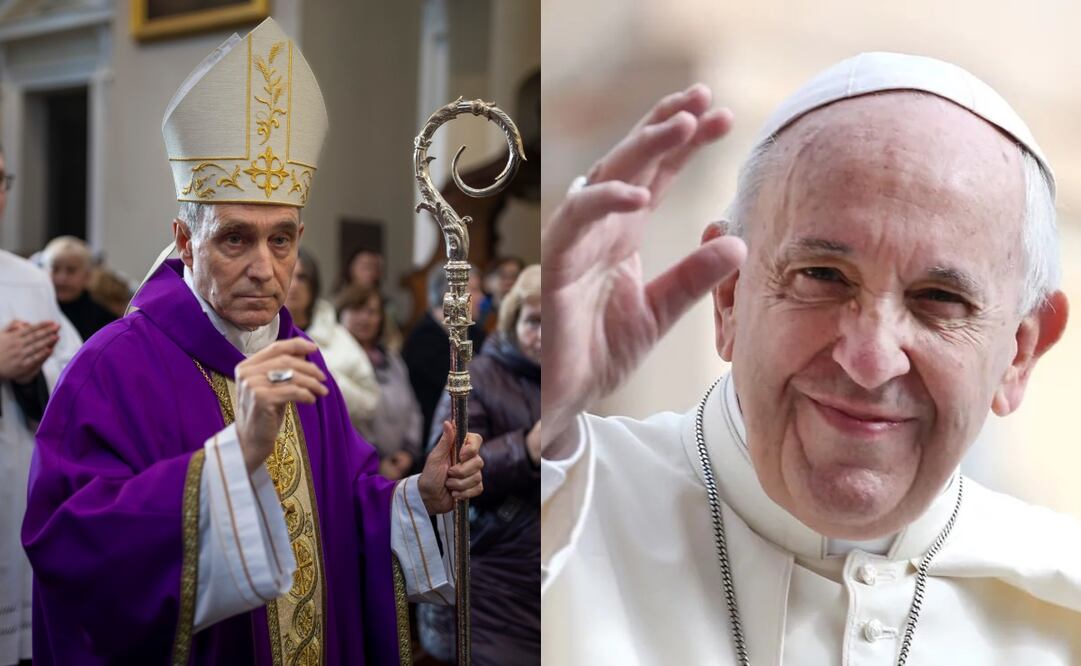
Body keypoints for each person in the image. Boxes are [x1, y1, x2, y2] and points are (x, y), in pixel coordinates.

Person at [541, 53, 1081, 664]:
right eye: (822, 276)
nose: (871, 360)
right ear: (729, 297)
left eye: (939, 298)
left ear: (1019, 354)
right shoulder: (559, 504)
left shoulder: (1063, 609)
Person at [22, 19, 484, 664]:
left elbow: (345, 507)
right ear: (186, 242)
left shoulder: (304, 362)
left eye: (281, 239)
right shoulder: (110, 368)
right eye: (235, 238)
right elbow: (70, 544)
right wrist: (232, 458)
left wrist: (419, 496)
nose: (264, 269)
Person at [419, 265, 542, 665]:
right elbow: (446, 472)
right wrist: (525, 449)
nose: (545, 335)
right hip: (492, 581)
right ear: (512, 321)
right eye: (533, 321)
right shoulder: (478, 377)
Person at [0, 146, 81, 666]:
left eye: (0, 179)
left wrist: (31, 374)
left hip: (17, 495)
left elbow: (74, 377)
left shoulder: (28, 281)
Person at [285, 248, 381, 439]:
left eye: (302, 277)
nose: (294, 285)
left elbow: (371, 403)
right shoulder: (256, 333)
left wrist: (326, 379)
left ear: (313, 285)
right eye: (289, 275)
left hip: (331, 438)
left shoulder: (338, 337)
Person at [337, 284, 423, 480]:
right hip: (358, 469)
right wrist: (377, 461)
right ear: (341, 313)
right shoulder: (333, 362)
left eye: (372, 312)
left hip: (402, 464)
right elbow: (346, 421)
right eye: (356, 309)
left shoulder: (392, 360)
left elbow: (412, 408)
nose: (365, 318)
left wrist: (409, 452)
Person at [403, 266, 487, 443]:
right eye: (474, 290)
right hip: (437, 436)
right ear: (449, 296)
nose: (481, 297)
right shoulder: (423, 340)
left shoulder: (476, 333)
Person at [41, 235, 117, 340]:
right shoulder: (34, 309)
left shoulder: (104, 321)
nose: (62, 278)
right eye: (55, 269)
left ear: (87, 276)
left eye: (71, 270)